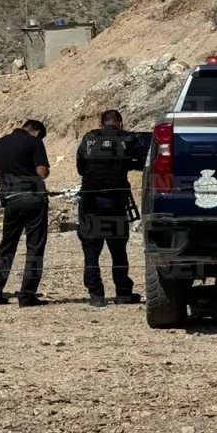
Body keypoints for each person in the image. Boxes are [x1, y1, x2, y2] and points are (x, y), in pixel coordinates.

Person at [76, 109, 143, 307]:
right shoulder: (127, 139)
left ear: (101, 123)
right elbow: (144, 159)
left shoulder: (89, 139)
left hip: (90, 201)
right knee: (118, 248)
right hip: (115, 201)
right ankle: (123, 292)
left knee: (91, 249)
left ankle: (96, 295)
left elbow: (81, 168)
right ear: (120, 123)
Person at [0, 119, 51, 307]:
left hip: (11, 199)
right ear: (37, 131)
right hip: (33, 198)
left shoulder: (0, 142)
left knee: (7, 246)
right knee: (35, 247)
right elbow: (42, 172)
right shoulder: (35, 142)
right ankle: (27, 294)